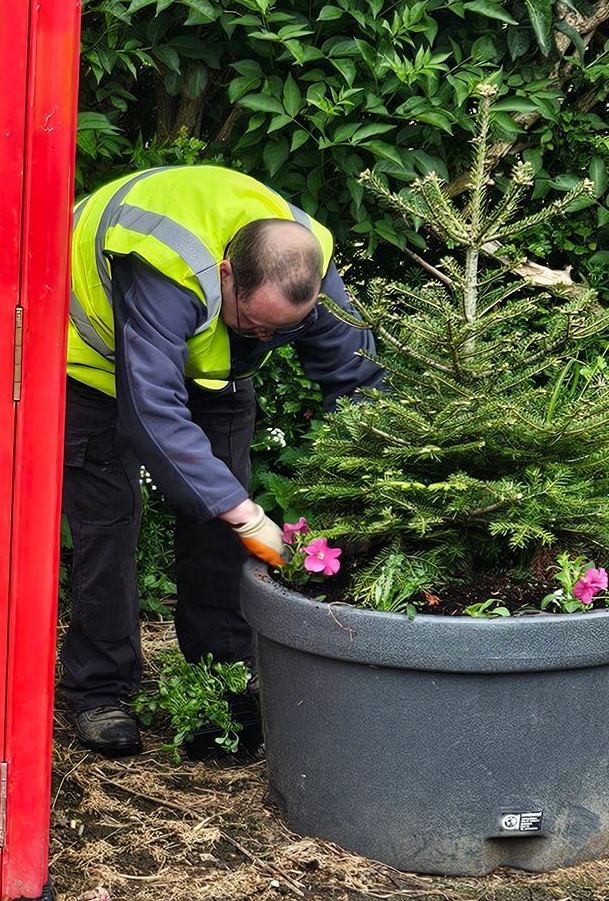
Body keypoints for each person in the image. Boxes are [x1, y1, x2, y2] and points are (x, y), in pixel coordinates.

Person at [61, 164, 381, 754]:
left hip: (216, 378)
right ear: (225, 273)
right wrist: (247, 515)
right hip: (89, 368)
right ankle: (99, 691)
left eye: (278, 330)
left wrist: (375, 487)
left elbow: (356, 381)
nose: (262, 336)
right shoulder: (165, 262)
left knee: (218, 536)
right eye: (253, 322)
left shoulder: (304, 259)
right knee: (108, 527)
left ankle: (223, 684)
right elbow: (150, 406)